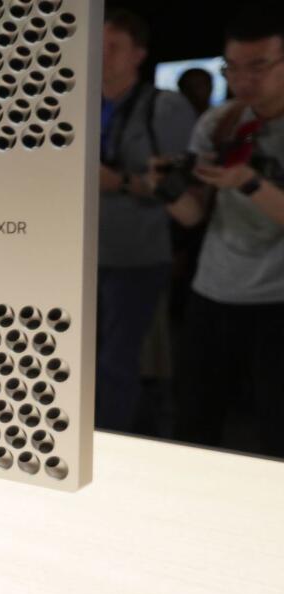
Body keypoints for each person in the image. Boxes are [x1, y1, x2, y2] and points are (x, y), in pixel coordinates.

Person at [156, 4, 284, 457]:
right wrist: (166, 189)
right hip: (213, 290)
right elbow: (194, 216)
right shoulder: (220, 122)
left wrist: (248, 182)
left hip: (276, 300)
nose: (244, 80)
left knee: (274, 429)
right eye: (234, 68)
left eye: (259, 66)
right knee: (194, 422)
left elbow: (245, 187)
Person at [95, 9, 197, 432]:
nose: (101, 55)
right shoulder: (79, 103)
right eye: (96, 46)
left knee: (116, 362)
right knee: (81, 359)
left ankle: (110, 447)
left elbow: (182, 196)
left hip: (136, 253)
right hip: (81, 253)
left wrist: (118, 181)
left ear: (139, 54)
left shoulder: (165, 107)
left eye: (113, 47)